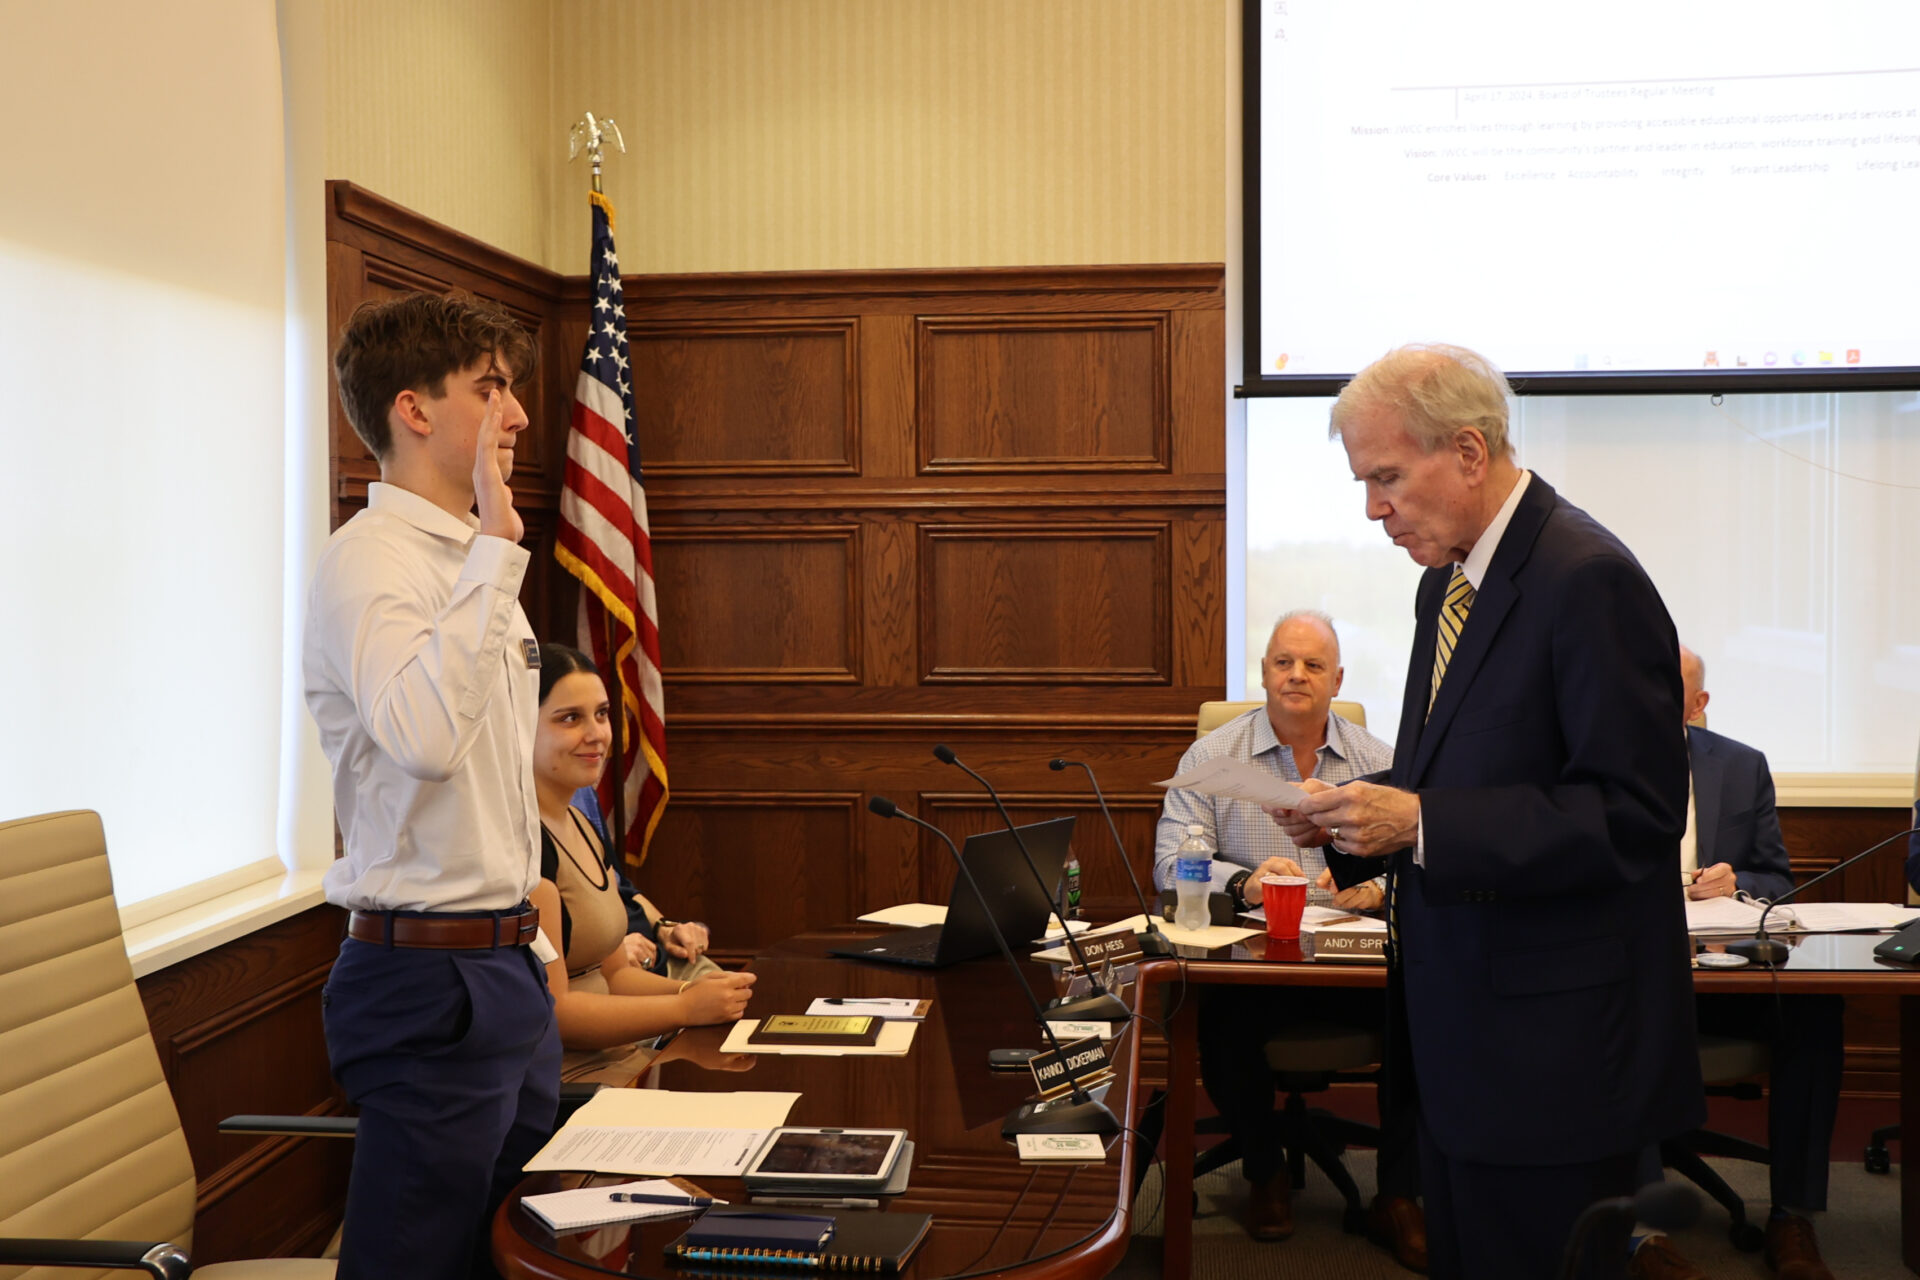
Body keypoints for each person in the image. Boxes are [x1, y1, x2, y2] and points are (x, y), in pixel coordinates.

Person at [1275, 343, 1703, 1280]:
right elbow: (1446, 785)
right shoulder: (1449, 583)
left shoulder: (1586, 576)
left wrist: (1419, 824)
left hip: (1553, 1060)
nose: (1372, 508)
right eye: (1364, 481)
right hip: (1461, 1044)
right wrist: (1353, 824)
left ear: (1469, 452)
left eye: (1387, 477)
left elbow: (1633, 816)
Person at [305, 291, 559, 1280]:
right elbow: (422, 738)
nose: (518, 413)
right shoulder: (369, 565)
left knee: (502, 1256)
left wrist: (534, 943)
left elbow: (497, 781)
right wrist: (498, 549)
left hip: (506, 969)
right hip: (426, 982)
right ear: (414, 409)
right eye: (490, 387)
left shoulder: (468, 559)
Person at [1153, 611, 1424, 1268]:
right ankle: (1264, 1169)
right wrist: (1245, 881)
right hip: (1254, 965)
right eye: (1283, 662)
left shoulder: (1380, 762)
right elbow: (1168, 867)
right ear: (1265, 672)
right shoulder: (1213, 758)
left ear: (1337, 679)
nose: (1295, 675)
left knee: (1419, 1010)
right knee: (1219, 1012)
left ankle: (1398, 1194)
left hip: (1354, 966)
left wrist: (1381, 890)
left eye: (1311, 665)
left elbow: (1422, 862)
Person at [1629, 647, 1840, 1280]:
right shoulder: (1594, 764)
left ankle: (1791, 1216)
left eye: (1674, 691)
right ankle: (1639, 1231)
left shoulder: (1742, 766)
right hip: (1635, 974)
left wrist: (1736, 879)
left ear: (1699, 704)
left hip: (1727, 970)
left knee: (1816, 1012)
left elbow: (1776, 879)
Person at [531, 643, 754, 1083]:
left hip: (626, 1061)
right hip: (570, 1085)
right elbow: (557, 1015)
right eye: (569, 718)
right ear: (518, 728)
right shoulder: (523, 844)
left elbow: (615, 975)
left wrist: (696, 991)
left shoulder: (579, 821)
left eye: (601, 713)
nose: (596, 733)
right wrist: (684, 1007)